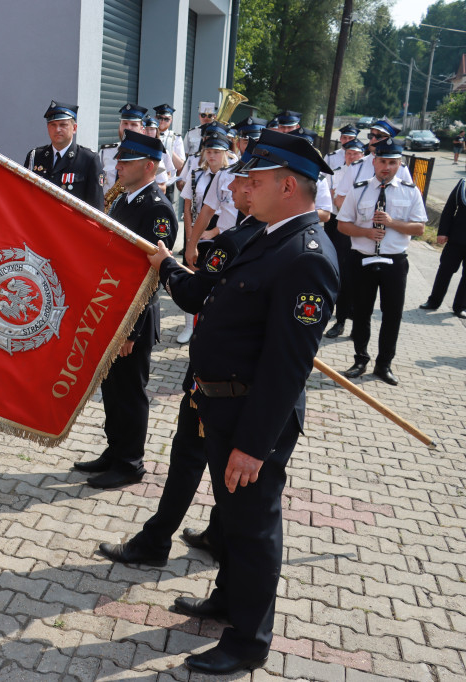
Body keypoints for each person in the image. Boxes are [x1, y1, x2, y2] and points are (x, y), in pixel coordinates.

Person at [176, 129, 339, 675]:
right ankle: (228, 602)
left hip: (252, 417)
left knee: (253, 526)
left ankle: (249, 642)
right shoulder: (269, 236)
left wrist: (251, 444)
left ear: (288, 185)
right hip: (225, 404)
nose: (242, 186)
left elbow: (287, 367)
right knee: (232, 516)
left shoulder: (305, 256)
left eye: (257, 179)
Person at [97, 155, 264, 569]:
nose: (235, 189)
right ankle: (217, 533)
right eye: (239, 181)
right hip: (234, 374)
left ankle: (156, 542)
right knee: (210, 461)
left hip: (215, 377)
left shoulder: (236, 239)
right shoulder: (258, 233)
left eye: (246, 182)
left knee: (189, 457)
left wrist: (168, 266)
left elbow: (193, 295)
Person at [72, 130, 175, 489]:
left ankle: (130, 462)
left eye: (126, 161)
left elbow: (151, 274)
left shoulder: (157, 209)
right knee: (112, 389)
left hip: (134, 319)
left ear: (148, 166)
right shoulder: (124, 200)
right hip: (112, 312)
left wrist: (131, 329)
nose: (118, 165)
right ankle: (115, 452)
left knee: (130, 392)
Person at [338, 137, 427, 385]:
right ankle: (359, 359)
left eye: (392, 162)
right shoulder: (359, 189)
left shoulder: (410, 191)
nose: (386, 167)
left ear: (400, 164)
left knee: (392, 315)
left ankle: (384, 364)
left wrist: (391, 223)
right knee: (362, 312)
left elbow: (419, 228)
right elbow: (343, 225)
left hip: (394, 261)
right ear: (374, 162)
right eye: (382, 161)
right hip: (363, 259)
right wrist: (365, 232)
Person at [178, 130, 232, 344]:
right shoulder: (196, 174)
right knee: (192, 277)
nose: (212, 156)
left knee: (216, 279)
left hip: (221, 230)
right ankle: (188, 326)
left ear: (225, 153)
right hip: (197, 228)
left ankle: (208, 325)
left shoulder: (232, 176)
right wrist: (192, 238)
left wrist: (214, 232)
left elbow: (230, 213)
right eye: (208, 151)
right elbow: (189, 206)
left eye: (216, 152)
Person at [324, 138, 367, 339]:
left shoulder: (369, 173)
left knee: (363, 280)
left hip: (364, 231)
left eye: (356, 154)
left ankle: (357, 325)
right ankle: (339, 320)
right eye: (348, 153)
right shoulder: (339, 171)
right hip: (342, 224)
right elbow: (336, 198)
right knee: (343, 273)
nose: (351, 157)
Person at [25, 100, 103, 208]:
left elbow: (96, 208)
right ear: (48, 128)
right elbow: (25, 196)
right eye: (53, 125)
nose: (57, 129)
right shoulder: (35, 156)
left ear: (74, 128)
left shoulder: (88, 159)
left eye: (63, 125)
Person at [420, 180, 466, 318]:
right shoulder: (463, 184)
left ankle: (461, 307)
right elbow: (450, 208)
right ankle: (434, 301)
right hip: (456, 239)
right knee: (445, 270)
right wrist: (443, 232)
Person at [101, 103, 146, 208]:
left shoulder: (149, 155)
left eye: (133, 124)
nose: (128, 128)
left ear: (142, 129)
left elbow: (162, 187)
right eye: (125, 123)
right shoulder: (105, 151)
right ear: (119, 126)